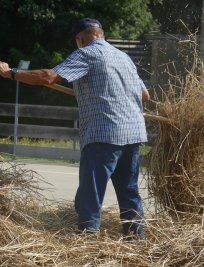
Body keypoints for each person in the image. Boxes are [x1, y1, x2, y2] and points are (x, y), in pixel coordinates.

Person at [0, 18, 149, 238]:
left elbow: (48, 77)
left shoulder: (87, 53)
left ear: (80, 39)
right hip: (134, 132)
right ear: (101, 33)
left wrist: (10, 73)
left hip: (103, 133)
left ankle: (87, 240)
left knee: (91, 193)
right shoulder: (124, 57)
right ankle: (137, 239)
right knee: (129, 192)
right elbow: (145, 96)